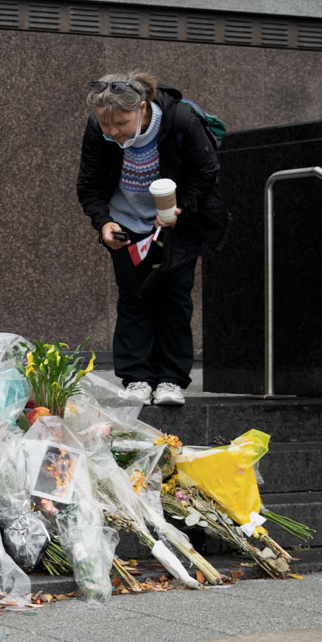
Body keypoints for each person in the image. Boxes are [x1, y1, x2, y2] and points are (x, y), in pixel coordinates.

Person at [75, 71, 229, 406]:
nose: (113, 131)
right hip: (127, 225)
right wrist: (103, 224)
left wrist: (180, 209)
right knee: (134, 298)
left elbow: (207, 171)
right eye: (106, 124)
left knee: (174, 298)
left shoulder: (180, 121)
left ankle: (171, 380)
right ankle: (137, 379)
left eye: (121, 122)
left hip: (178, 224)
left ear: (142, 108)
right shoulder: (97, 130)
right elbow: (89, 185)